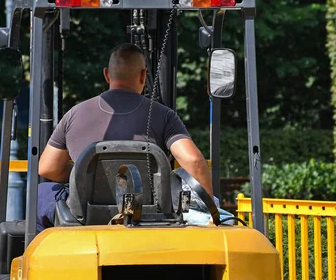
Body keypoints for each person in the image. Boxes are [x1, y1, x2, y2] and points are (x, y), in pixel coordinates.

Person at [37, 43, 214, 231]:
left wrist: (84, 173)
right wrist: (211, 209)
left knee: (41, 193)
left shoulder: (74, 114)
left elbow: (48, 168)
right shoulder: (164, 115)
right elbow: (193, 161)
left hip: (85, 214)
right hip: (150, 213)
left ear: (107, 75)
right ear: (143, 75)